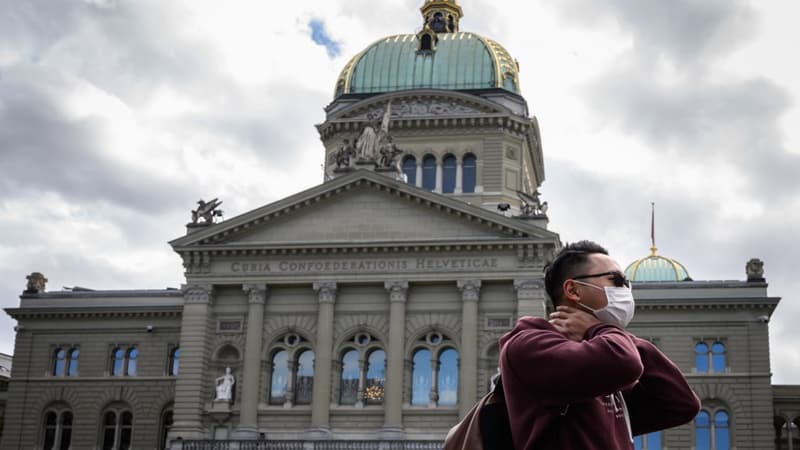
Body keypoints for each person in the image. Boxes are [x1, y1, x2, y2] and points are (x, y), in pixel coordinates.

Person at [499, 240, 700, 449]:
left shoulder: (607, 360)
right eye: (616, 280)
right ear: (574, 290)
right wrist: (601, 330)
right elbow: (625, 363)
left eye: (626, 283)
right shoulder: (529, 346)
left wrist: (603, 332)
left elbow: (681, 403)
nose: (625, 290)